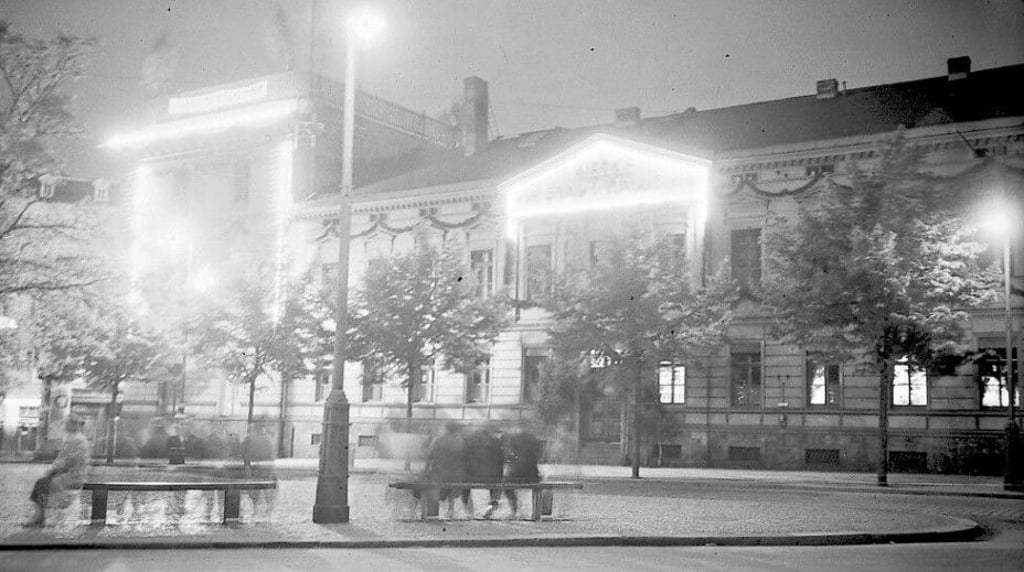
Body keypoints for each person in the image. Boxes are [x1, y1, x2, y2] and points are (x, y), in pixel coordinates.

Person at [23, 413, 92, 527]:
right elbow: (63, 459)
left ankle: (39, 516)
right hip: (69, 474)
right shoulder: (73, 438)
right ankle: (39, 515)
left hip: (72, 476)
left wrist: (53, 470)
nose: (64, 425)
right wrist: (54, 469)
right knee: (41, 484)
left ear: (72, 425)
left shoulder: (76, 439)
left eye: (67, 423)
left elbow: (69, 460)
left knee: (42, 485)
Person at [424, 422, 467, 518]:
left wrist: (426, 472)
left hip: (440, 475)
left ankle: (433, 514)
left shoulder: (438, 440)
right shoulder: (460, 441)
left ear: (446, 429)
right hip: (455, 475)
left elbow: (429, 455)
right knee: (452, 492)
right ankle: (450, 510)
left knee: (432, 489)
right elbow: (464, 458)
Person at [462, 421, 504, 518]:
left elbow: (465, 460)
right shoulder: (495, 442)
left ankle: (481, 515)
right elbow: (500, 461)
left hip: (475, 477)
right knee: (485, 503)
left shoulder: (470, 442)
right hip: (493, 477)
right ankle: (487, 512)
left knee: (479, 508)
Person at [501, 422, 542, 517]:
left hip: (517, 475)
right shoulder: (532, 439)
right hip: (531, 475)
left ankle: (514, 509)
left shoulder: (513, 440)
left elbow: (509, 457)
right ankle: (521, 511)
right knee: (524, 496)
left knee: (506, 486)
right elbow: (537, 456)